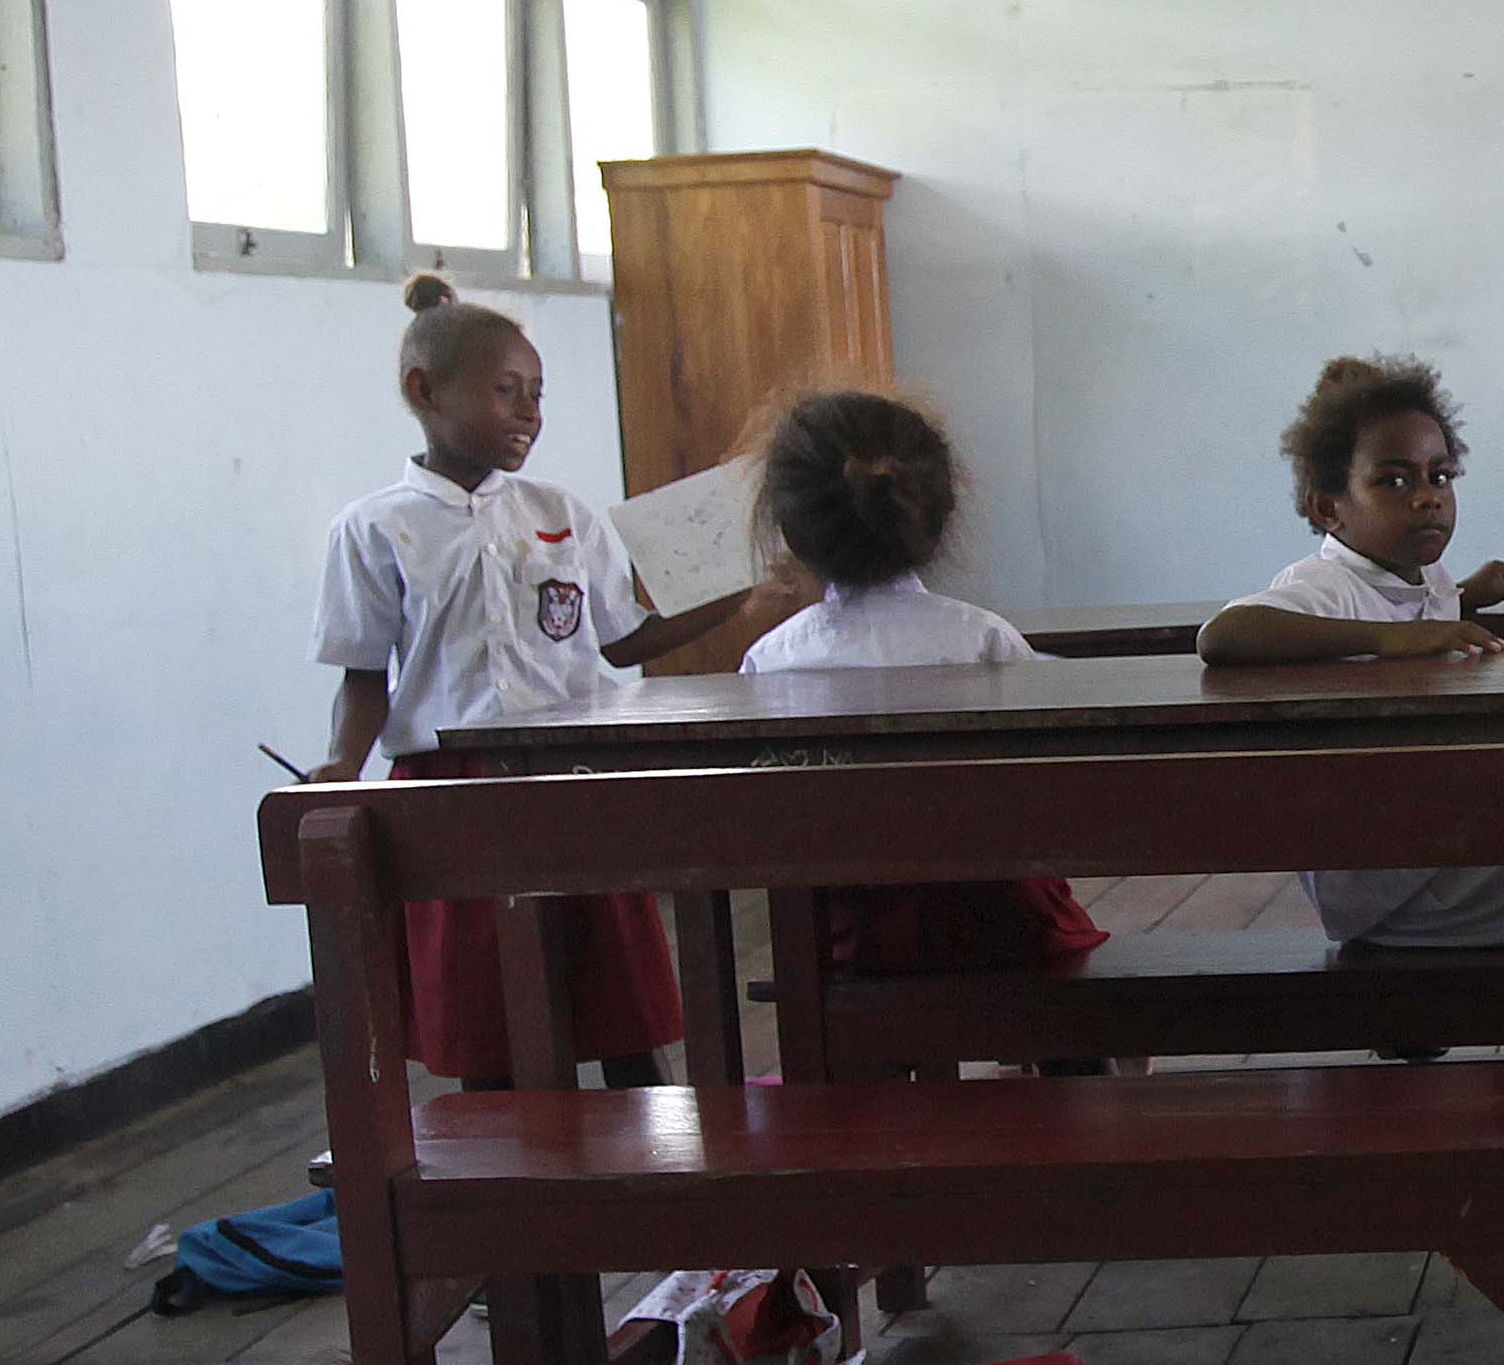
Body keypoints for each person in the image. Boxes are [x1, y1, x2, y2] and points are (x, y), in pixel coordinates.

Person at [310, 276, 744, 1085]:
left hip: (577, 773)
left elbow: (625, 642)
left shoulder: (564, 512)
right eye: (506, 392)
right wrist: (343, 764)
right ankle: (513, 1190)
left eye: (537, 396)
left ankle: (654, 1176)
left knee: (618, 1001)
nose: (528, 415)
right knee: (487, 1018)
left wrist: (741, 591)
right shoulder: (375, 529)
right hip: (453, 789)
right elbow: (364, 673)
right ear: (424, 391)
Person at [744, 386, 1101, 979]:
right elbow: (1044, 789)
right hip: (999, 921)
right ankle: (1078, 1062)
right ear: (937, 517)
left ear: (792, 531)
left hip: (845, 937)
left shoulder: (771, 660)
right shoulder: (983, 640)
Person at [1202, 353, 1504, 956]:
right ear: (1328, 508)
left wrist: (1467, 597)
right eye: (1394, 481)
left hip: (1424, 848)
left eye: (1439, 476)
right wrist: (1388, 640)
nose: (1427, 498)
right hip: (1374, 872)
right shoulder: (1325, 584)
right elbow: (1224, 634)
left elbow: (1407, 618)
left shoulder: (1427, 576)